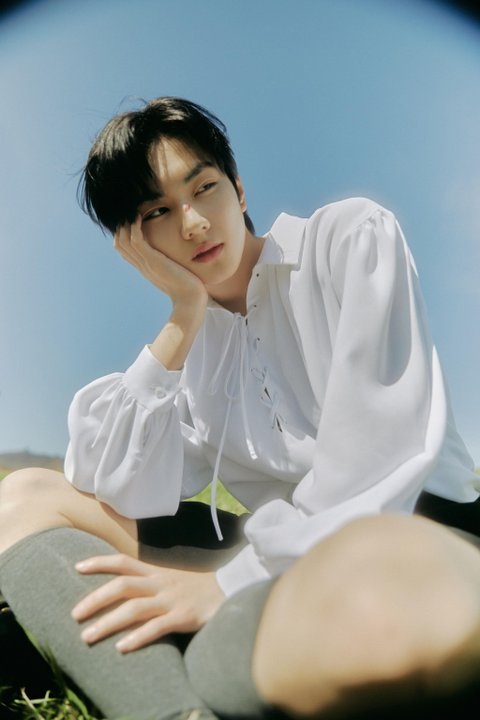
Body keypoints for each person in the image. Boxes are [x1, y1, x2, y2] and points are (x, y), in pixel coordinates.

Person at [1, 96, 480, 720]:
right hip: (261, 545)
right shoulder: (193, 353)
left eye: (203, 188)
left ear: (240, 189)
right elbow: (112, 486)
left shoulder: (347, 239)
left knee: (373, 616)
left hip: (409, 527)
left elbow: (379, 465)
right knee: (26, 496)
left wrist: (225, 585)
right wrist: (183, 316)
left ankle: (199, 660)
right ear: (135, 243)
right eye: (157, 212)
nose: (193, 223)